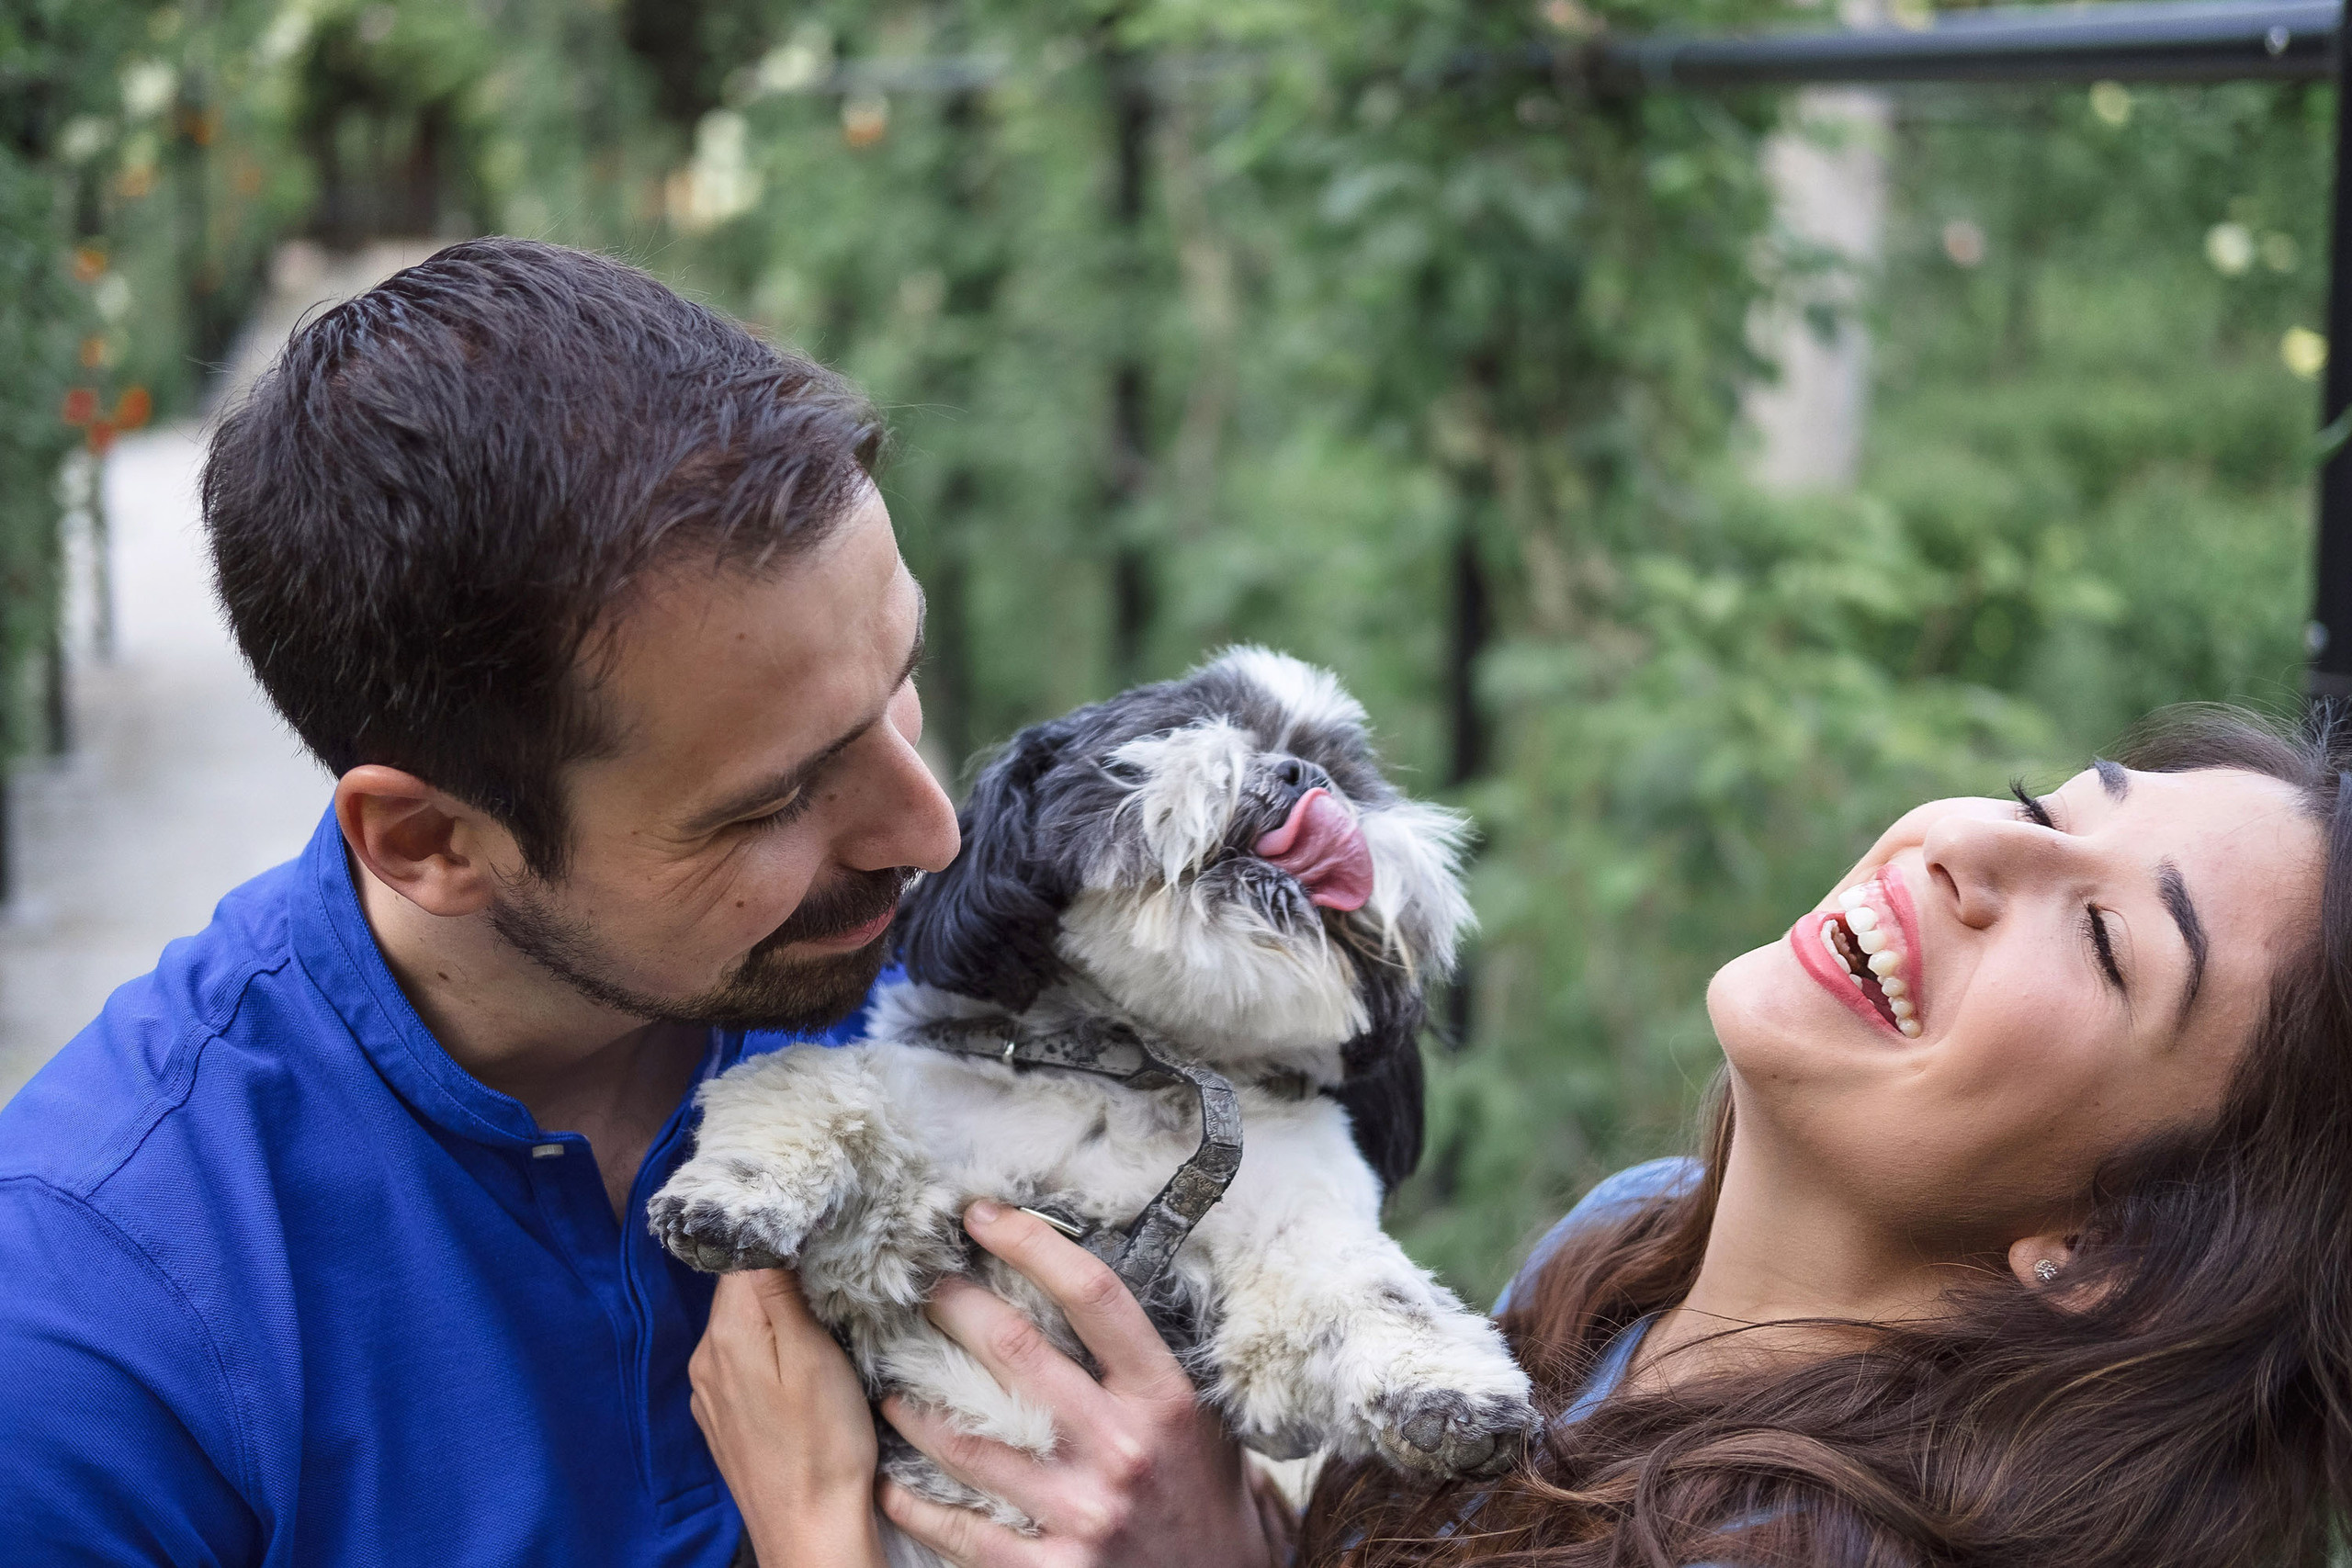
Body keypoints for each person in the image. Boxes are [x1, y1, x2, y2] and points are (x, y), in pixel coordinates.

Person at [0, 239, 1278, 1568]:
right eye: (772, 801)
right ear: (430, 838)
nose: (929, 830)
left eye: (898, 673)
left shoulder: (973, 983)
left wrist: (1235, 1541)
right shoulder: (97, 1337)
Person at [1283, 708, 2352, 1566]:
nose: (1966, 838)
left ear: (2114, 1249)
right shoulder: (1626, 1236)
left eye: (2101, 940)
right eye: (2046, 809)